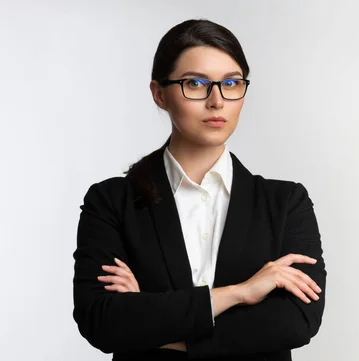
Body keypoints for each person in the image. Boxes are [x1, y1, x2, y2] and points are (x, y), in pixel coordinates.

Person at [72, 19, 327, 361]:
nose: (217, 101)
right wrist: (239, 293)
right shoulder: (111, 202)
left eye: (231, 83)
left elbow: (297, 321)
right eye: (195, 83)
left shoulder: (285, 204)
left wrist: (157, 327)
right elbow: (102, 321)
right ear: (159, 94)